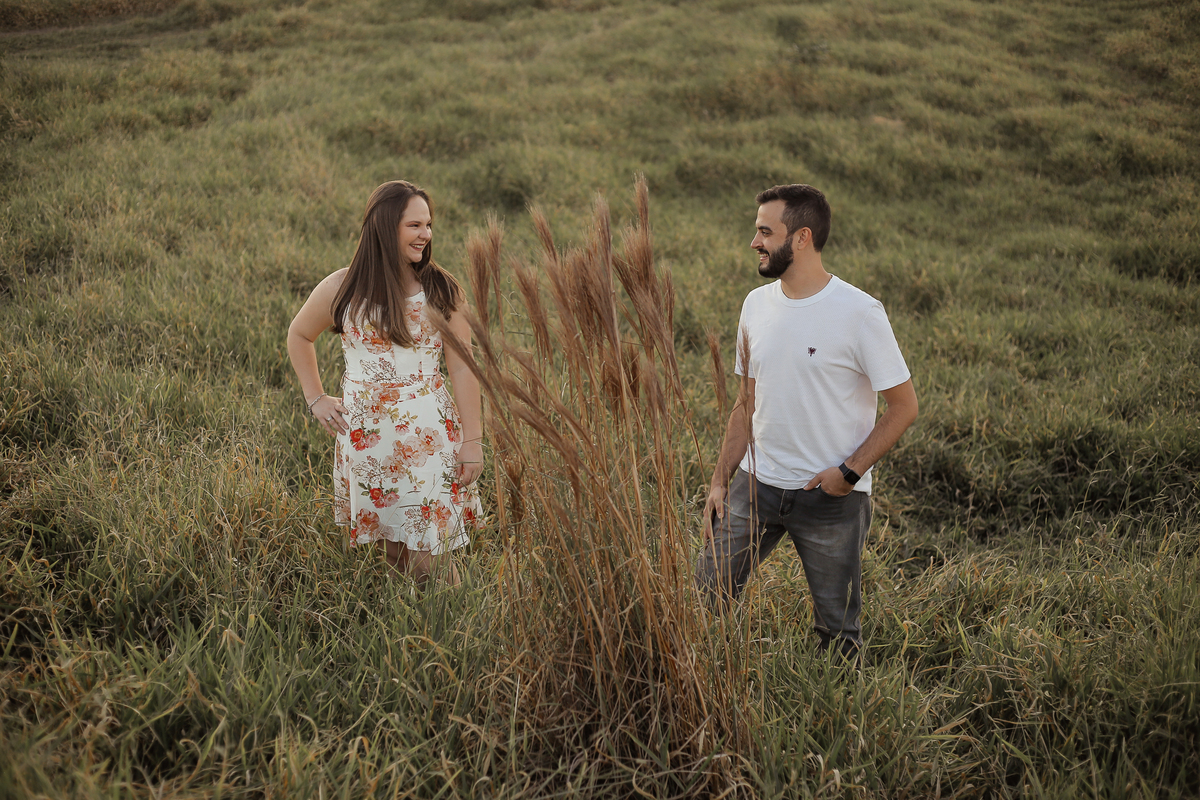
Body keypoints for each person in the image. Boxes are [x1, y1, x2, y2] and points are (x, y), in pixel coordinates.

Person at [695, 184, 918, 664]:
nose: (754, 242)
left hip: (829, 498)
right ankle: (711, 684)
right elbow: (744, 403)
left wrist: (849, 473)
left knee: (838, 634)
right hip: (755, 486)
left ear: (801, 238)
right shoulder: (755, 305)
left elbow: (904, 406)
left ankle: (837, 719)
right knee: (704, 600)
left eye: (764, 231)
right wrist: (719, 480)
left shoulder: (859, 313)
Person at [287, 180, 484, 586]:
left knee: (431, 550)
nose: (426, 235)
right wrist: (315, 398)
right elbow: (299, 335)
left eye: (428, 225)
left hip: (426, 437)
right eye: (415, 225)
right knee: (392, 546)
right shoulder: (341, 288)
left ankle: (455, 629)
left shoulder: (439, 291)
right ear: (385, 226)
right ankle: (410, 633)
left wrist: (473, 441)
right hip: (367, 439)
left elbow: (463, 368)